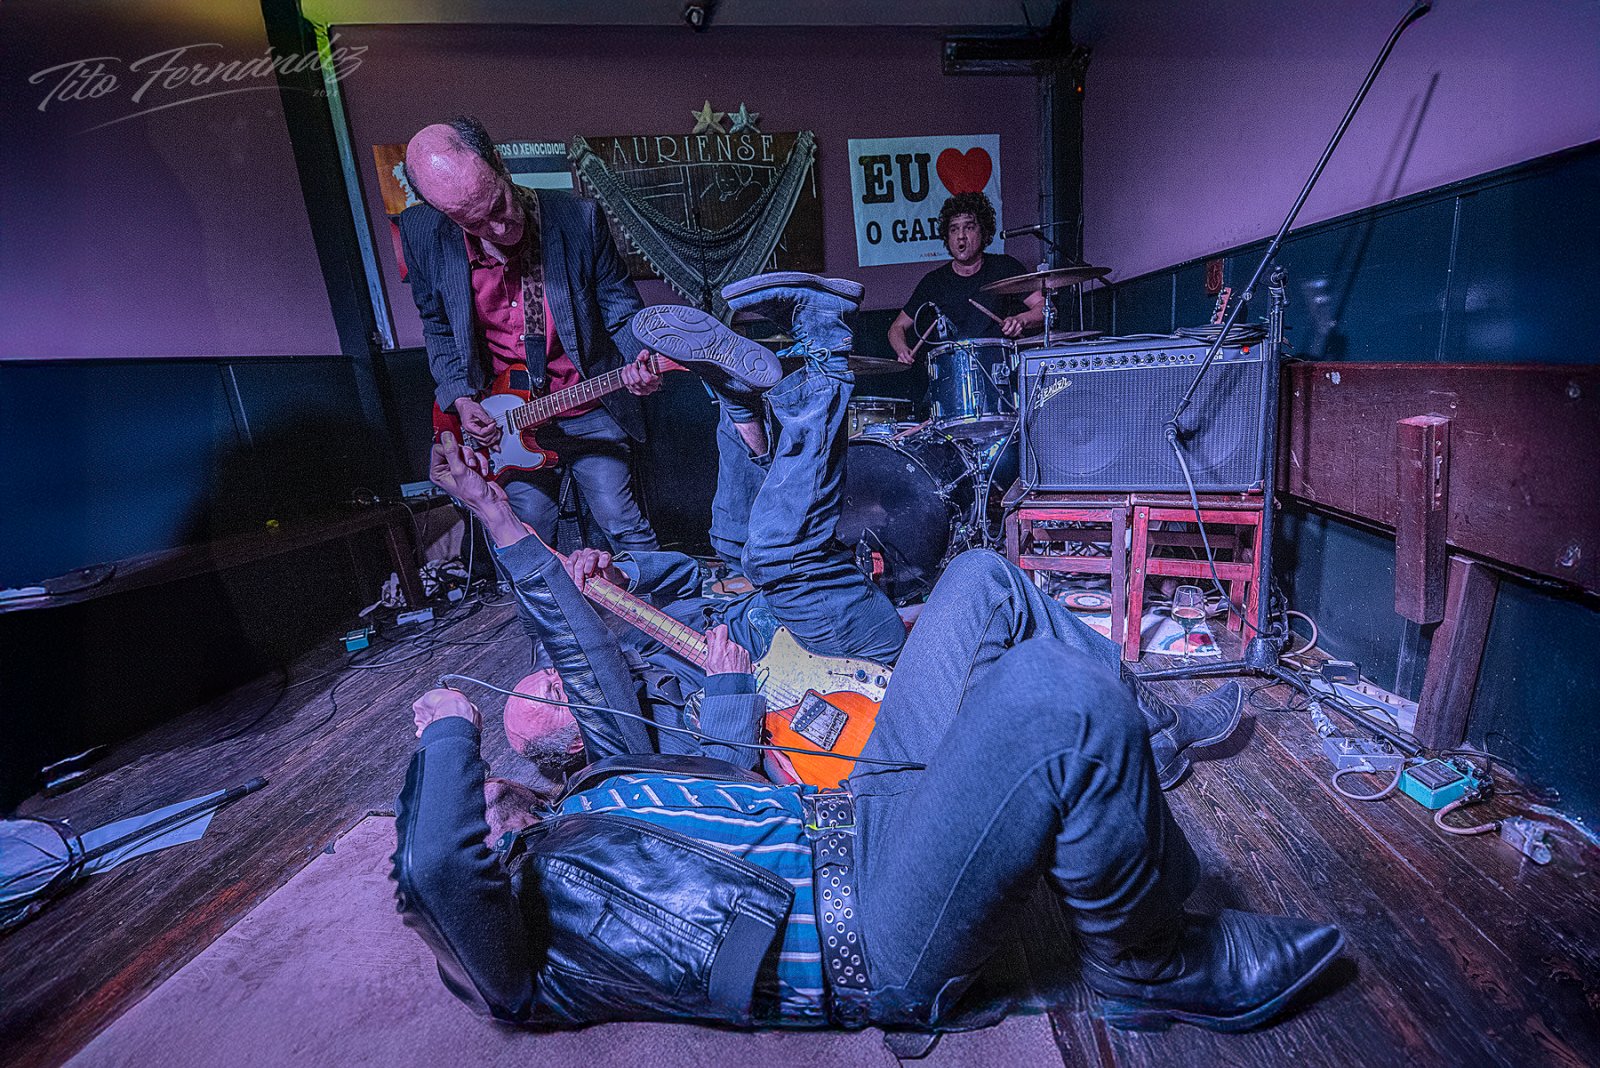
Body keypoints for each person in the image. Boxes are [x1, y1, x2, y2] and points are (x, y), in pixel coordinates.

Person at [395, 421, 1345, 1035]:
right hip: (872, 924)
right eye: (470, 805)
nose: (483, 794)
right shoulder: (526, 961)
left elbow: (582, 651)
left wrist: (490, 508)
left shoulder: (594, 797)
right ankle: (1149, 964)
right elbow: (438, 865)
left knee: (980, 581)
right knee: (1054, 698)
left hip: (856, 808)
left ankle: (1153, 735)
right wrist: (444, 738)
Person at [398, 116, 664, 553]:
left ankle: (661, 600)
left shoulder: (578, 220)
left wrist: (642, 359)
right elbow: (438, 324)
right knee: (525, 535)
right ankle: (545, 604)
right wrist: (461, 399)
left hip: (586, 402)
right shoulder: (422, 232)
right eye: (476, 224)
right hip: (502, 419)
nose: (500, 229)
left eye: (498, 205)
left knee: (622, 522)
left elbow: (621, 312)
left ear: (497, 162)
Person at [888, 191, 1046, 364]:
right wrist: (902, 349)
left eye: (969, 227)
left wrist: (1022, 320)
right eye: (954, 229)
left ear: (983, 232)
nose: (961, 236)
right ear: (947, 237)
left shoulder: (1005, 267)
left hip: (999, 367)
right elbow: (897, 327)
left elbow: (1044, 308)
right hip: (952, 369)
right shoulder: (934, 282)